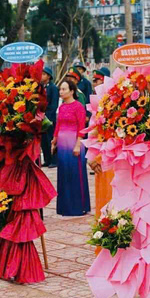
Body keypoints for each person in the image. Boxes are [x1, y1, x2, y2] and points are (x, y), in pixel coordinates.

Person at [53, 78, 91, 216]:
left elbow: (82, 126)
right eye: (60, 90)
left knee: (75, 173)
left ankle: (78, 206)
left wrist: (78, 144)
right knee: (63, 174)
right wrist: (54, 140)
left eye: (64, 89)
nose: (61, 92)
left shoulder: (78, 107)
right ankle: (65, 207)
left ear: (72, 91)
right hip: (62, 143)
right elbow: (58, 125)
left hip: (75, 142)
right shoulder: (61, 107)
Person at [89, 67, 113, 218]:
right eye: (95, 81)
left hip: (113, 161)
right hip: (100, 160)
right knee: (102, 200)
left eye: (98, 80)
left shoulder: (116, 104)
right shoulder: (98, 105)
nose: (95, 83)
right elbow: (93, 132)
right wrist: (91, 157)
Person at [41, 67, 59, 168]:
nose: (41, 76)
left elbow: (54, 104)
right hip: (41, 118)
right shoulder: (41, 87)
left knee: (51, 140)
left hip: (49, 118)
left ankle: (54, 160)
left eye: (44, 74)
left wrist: (49, 118)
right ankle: (47, 159)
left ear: (48, 76)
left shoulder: (53, 88)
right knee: (43, 141)